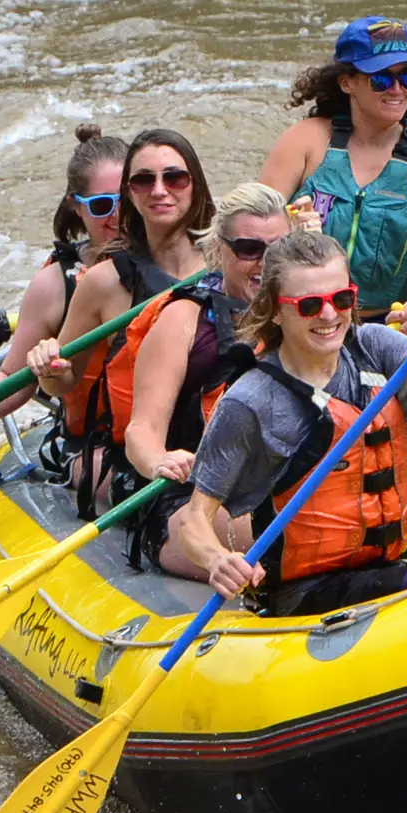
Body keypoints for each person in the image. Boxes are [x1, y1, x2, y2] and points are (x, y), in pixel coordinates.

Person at [170, 231, 407, 617]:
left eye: (342, 299)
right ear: (275, 311)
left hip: (387, 567)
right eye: (310, 304)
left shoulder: (374, 347)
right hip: (308, 592)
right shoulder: (250, 401)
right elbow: (193, 519)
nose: (330, 315)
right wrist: (217, 559)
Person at [257, 17, 407, 518]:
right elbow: (256, 222)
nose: (398, 89)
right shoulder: (308, 141)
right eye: (382, 78)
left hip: (386, 320)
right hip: (307, 317)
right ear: (348, 82)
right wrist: (288, 229)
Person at [108, 182, 292, 576]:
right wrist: (159, 460)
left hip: (276, 484)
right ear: (217, 250)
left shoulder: (312, 312)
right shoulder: (183, 320)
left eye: (278, 250)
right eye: (248, 250)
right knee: (300, 530)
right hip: (188, 501)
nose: (265, 263)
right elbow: (142, 430)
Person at [27, 129, 217, 505]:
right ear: (129, 194)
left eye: (174, 178)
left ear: (195, 185)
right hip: (137, 458)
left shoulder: (230, 261)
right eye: (144, 180)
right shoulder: (102, 281)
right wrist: (50, 367)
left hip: (217, 448)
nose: (160, 190)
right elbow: (63, 383)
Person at [0, 125, 123, 441]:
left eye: (127, 200)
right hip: (97, 444)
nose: (118, 215)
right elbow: (15, 377)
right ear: (76, 206)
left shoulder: (172, 258)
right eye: (102, 205)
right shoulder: (54, 284)